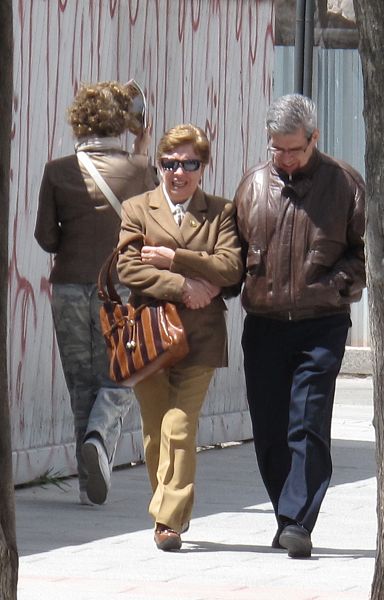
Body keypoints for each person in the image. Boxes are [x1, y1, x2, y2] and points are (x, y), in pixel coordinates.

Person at [233, 93, 366, 558]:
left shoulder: (345, 184)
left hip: (321, 323)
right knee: (270, 428)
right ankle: (286, 513)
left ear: (315, 138)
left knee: (307, 422)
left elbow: (365, 251)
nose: (286, 159)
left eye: (295, 149)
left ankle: (298, 521)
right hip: (264, 324)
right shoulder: (251, 186)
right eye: (277, 149)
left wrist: (336, 283)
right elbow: (231, 254)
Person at [116, 124, 243, 551]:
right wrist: (184, 285)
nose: (179, 173)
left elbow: (229, 268)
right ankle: (169, 509)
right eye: (170, 164)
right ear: (160, 166)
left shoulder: (221, 211)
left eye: (189, 164)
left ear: (203, 168)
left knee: (179, 426)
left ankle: (167, 520)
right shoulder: (137, 208)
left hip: (201, 337)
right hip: (149, 336)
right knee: (154, 432)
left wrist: (174, 257)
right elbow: (129, 269)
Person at [35, 80, 157, 506]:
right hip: (119, 289)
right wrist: (143, 145)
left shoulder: (57, 171)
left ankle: (90, 487)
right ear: (122, 124)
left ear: (78, 122)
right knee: (123, 374)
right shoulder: (141, 170)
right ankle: (101, 436)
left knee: (81, 386)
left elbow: (46, 238)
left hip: (68, 288)